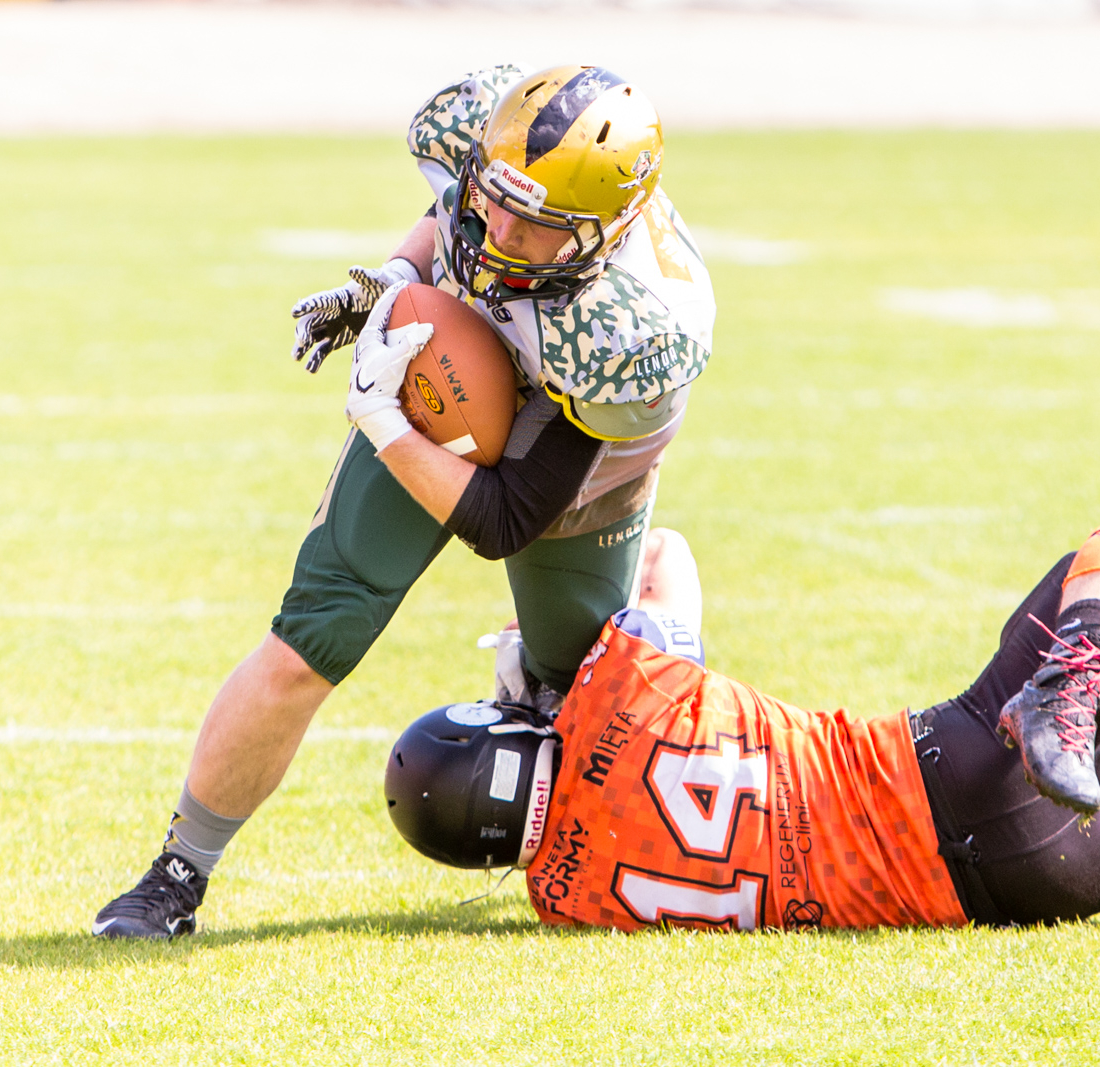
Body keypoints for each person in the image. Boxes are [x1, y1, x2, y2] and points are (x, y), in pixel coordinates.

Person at [93, 63, 716, 939]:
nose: (497, 227)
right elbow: (449, 219)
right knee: (308, 639)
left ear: (600, 234)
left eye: (532, 225)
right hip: (450, 368)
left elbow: (505, 517)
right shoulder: (480, 128)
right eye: (493, 197)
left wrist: (384, 420)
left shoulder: (636, 331)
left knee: (583, 697)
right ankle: (175, 874)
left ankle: (653, 610)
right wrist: (389, 281)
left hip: (581, 446)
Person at [384, 483, 1100, 929]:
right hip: (953, 763)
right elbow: (664, 552)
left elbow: (566, 811)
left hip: (1017, 893)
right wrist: (546, 672)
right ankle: (1070, 677)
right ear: (500, 732)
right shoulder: (619, 696)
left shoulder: (565, 899)